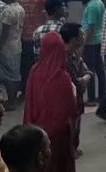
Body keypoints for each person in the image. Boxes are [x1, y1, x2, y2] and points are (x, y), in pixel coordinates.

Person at [23, 32, 77, 172]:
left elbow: (29, 101)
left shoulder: (34, 71)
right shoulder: (63, 77)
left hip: (37, 132)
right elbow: (71, 106)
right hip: (59, 135)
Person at [59, 23, 89, 159]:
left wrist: (86, 77)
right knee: (70, 124)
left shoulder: (74, 54)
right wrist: (84, 78)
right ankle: (68, 150)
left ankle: (73, 148)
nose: (84, 36)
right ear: (74, 39)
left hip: (78, 95)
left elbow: (86, 70)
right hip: (68, 97)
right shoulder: (62, 57)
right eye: (81, 34)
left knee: (76, 123)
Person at [12, 0, 45, 95]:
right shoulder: (17, 1)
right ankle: (26, 92)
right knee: (24, 68)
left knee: (34, 67)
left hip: (35, 39)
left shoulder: (39, 0)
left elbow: (43, 19)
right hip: (21, 38)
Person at [79, 0, 105, 107]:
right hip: (98, 40)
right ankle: (101, 95)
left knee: (90, 70)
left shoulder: (92, 7)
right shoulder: (98, 3)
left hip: (91, 41)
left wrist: (83, 44)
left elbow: (91, 28)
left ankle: (91, 98)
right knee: (99, 69)